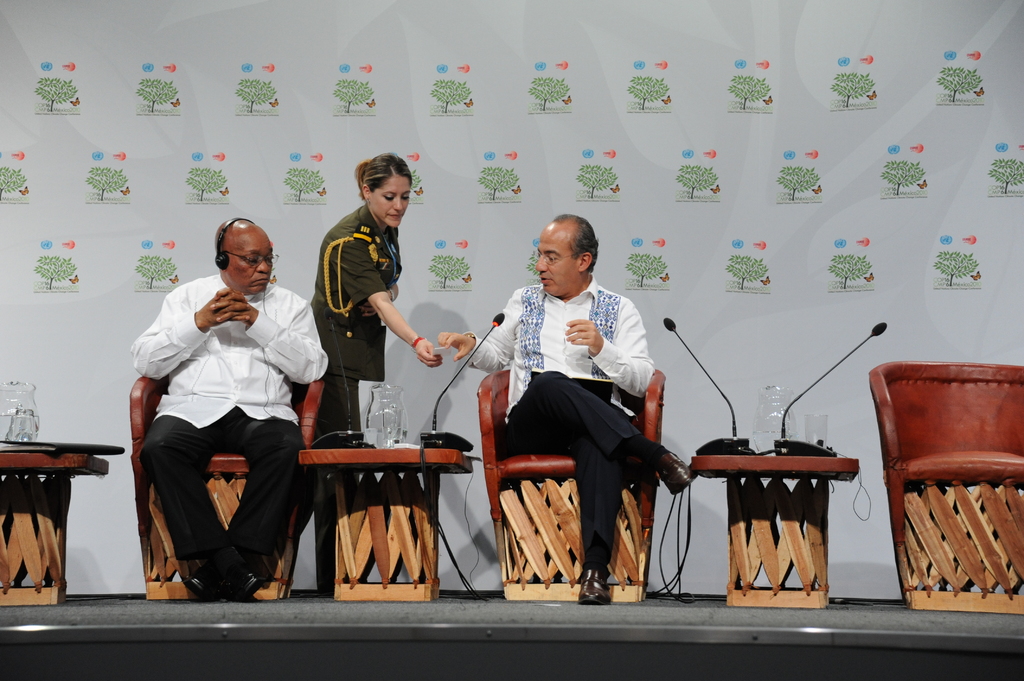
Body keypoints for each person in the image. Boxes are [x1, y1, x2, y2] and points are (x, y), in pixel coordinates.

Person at [437, 215, 693, 605]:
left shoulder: (619, 309)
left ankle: (594, 572)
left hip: (592, 423)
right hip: (532, 423)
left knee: (599, 446)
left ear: (583, 261)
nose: (540, 266)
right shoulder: (523, 300)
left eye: (551, 257)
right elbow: (496, 355)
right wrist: (469, 343)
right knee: (551, 382)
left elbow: (642, 380)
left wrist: (601, 349)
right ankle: (653, 454)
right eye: (539, 255)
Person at [131, 217, 328, 602]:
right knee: (159, 448)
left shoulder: (290, 305)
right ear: (224, 259)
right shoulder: (186, 298)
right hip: (193, 409)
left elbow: (312, 368)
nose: (265, 268)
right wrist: (197, 324)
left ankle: (221, 563)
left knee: (286, 449)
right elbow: (146, 363)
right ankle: (231, 562)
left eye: (269, 259)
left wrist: (259, 323)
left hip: (263, 412)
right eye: (253, 259)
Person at [309, 153, 442, 590]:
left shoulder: (386, 229)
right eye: (389, 196)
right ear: (367, 191)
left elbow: (388, 286)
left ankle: (356, 565)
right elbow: (385, 303)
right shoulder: (349, 238)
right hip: (337, 354)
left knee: (361, 454)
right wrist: (417, 341)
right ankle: (334, 573)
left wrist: (384, 291)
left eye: (406, 197)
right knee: (338, 461)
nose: (399, 205)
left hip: (366, 350)